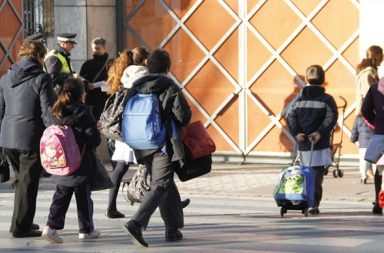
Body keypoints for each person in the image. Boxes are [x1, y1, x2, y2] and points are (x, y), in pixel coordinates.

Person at [122, 49, 192, 248]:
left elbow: (125, 113)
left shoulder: (135, 87)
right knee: (161, 184)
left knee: (166, 183)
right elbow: (184, 117)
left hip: (139, 144)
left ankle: (173, 228)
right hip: (162, 144)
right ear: (167, 68)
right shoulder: (169, 86)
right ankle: (136, 223)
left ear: (147, 64)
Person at [0, 41, 54, 237]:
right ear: (40, 56)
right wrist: (54, 131)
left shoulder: (6, 77)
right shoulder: (42, 78)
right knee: (28, 184)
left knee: (22, 183)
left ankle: (23, 221)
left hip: (8, 137)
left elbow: (0, 109)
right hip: (30, 137)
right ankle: (20, 227)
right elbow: (47, 110)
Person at [41, 78, 101, 243]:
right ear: (81, 94)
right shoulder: (83, 112)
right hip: (80, 162)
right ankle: (86, 229)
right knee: (83, 196)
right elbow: (94, 140)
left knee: (61, 194)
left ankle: (50, 227)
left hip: (60, 161)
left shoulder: (54, 111)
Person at [287, 65, 338, 215]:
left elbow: (290, 116)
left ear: (306, 79)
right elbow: (331, 118)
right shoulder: (327, 99)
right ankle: (313, 204)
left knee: (302, 172)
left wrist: (296, 133)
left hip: (302, 143)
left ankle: (300, 200)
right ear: (323, 80)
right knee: (316, 175)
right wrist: (319, 133)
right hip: (319, 144)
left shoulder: (299, 98)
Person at [104, 47, 149, 218]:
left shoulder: (125, 76)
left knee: (121, 167)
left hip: (125, 129)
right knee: (158, 167)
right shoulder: (144, 76)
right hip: (141, 128)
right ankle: (169, 203)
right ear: (145, 61)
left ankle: (110, 207)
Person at [361, 77, 384, 215]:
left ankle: (378, 202)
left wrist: (376, 123)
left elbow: (365, 109)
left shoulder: (375, 88)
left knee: (380, 169)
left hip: (381, 133)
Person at [80, 37, 111, 121]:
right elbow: (80, 81)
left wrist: (104, 86)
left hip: (108, 100)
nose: (95, 51)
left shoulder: (112, 63)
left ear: (105, 48)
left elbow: (116, 82)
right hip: (92, 101)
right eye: (93, 49)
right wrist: (87, 85)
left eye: (97, 48)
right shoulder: (87, 64)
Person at [355, 45, 383, 115]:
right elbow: (369, 96)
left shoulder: (371, 73)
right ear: (377, 56)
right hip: (366, 118)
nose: (382, 60)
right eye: (382, 56)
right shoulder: (367, 74)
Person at [350, 115, 375, 184]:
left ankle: (363, 177)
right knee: (374, 161)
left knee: (363, 161)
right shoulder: (374, 116)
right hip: (374, 142)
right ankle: (377, 177)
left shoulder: (358, 118)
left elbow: (354, 131)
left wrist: (353, 139)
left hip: (363, 144)